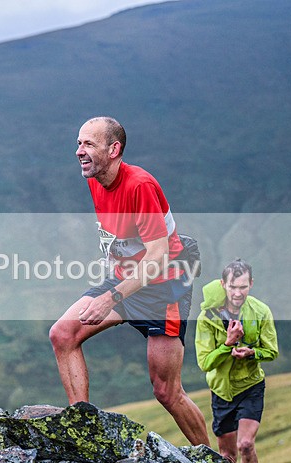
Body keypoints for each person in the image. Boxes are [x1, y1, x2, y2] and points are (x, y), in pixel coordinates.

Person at [49, 116, 209, 446]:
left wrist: (110, 298)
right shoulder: (95, 178)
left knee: (167, 392)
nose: (79, 151)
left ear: (114, 149)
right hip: (124, 279)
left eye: (88, 144)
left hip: (164, 288)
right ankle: (84, 432)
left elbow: (157, 258)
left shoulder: (140, 186)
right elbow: (115, 236)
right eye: (78, 143)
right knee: (63, 334)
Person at [196, 259, 278, 463]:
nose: (238, 293)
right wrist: (228, 344)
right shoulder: (207, 317)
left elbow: (272, 351)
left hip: (251, 386)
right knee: (227, 456)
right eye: (233, 287)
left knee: (245, 445)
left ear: (251, 284)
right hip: (222, 391)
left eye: (243, 287)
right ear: (223, 284)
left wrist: (252, 353)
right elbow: (205, 363)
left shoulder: (261, 311)